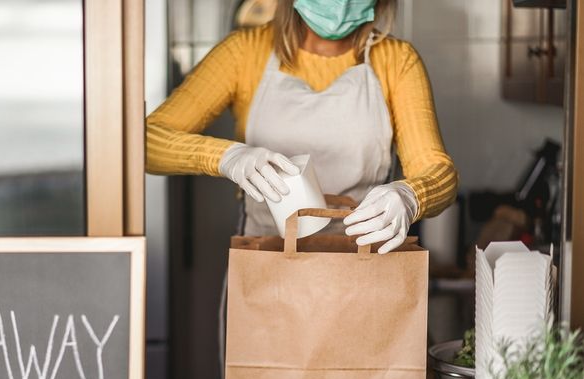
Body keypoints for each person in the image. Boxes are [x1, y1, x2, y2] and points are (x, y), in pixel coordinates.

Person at [146, 0, 458, 253]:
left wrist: (409, 195)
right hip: (264, 264)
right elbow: (145, 143)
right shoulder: (245, 51)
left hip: (362, 267)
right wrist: (227, 157)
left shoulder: (396, 61)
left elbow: (437, 171)